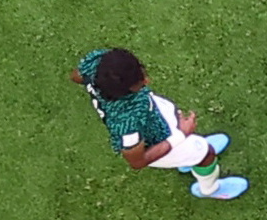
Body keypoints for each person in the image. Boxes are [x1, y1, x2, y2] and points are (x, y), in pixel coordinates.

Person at [71, 47, 247, 201]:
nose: (146, 80)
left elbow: (76, 76)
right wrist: (181, 135)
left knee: (189, 137)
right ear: (124, 91)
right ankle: (209, 189)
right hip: (160, 141)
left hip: (155, 119)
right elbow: (138, 161)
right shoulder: (127, 124)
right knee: (206, 154)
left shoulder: (97, 63)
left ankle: (189, 157)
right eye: (139, 82)